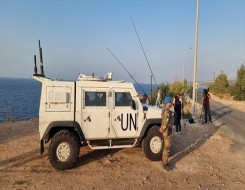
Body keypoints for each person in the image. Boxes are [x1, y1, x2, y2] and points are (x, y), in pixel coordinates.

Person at [159, 96, 174, 172]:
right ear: (168, 103)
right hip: (167, 130)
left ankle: (164, 161)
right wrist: (163, 128)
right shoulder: (167, 111)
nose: (171, 103)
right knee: (167, 147)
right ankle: (165, 163)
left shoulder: (165, 110)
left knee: (166, 146)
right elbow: (166, 121)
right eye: (170, 102)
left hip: (166, 130)